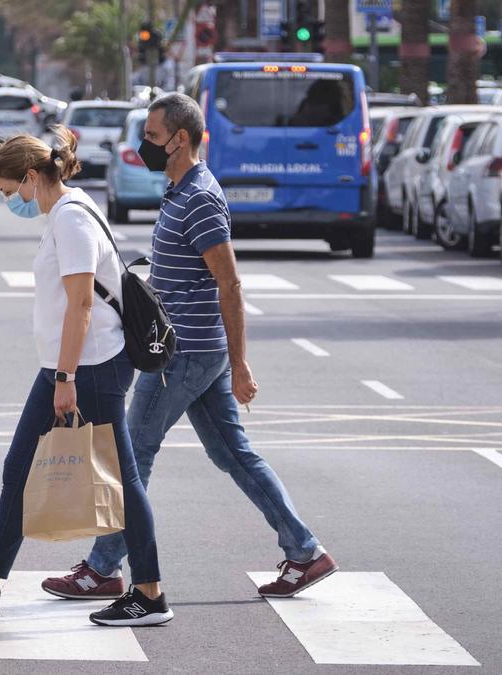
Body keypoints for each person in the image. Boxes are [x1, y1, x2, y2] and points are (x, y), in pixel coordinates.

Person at [43, 94, 336, 600]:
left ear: (180, 139)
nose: (145, 147)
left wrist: (240, 363)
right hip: (194, 350)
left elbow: (230, 284)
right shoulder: (179, 190)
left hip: (187, 355)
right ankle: (304, 551)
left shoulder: (199, 197)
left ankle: (102, 568)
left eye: (153, 137)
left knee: (131, 455)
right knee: (233, 455)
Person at [0, 127, 174, 627]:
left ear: (32, 177)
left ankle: (149, 594)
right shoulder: (69, 209)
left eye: (8, 190)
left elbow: (82, 304)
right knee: (19, 467)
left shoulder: (71, 221)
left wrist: (65, 377)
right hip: (70, 366)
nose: (9, 200)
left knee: (123, 481)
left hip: (90, 368)